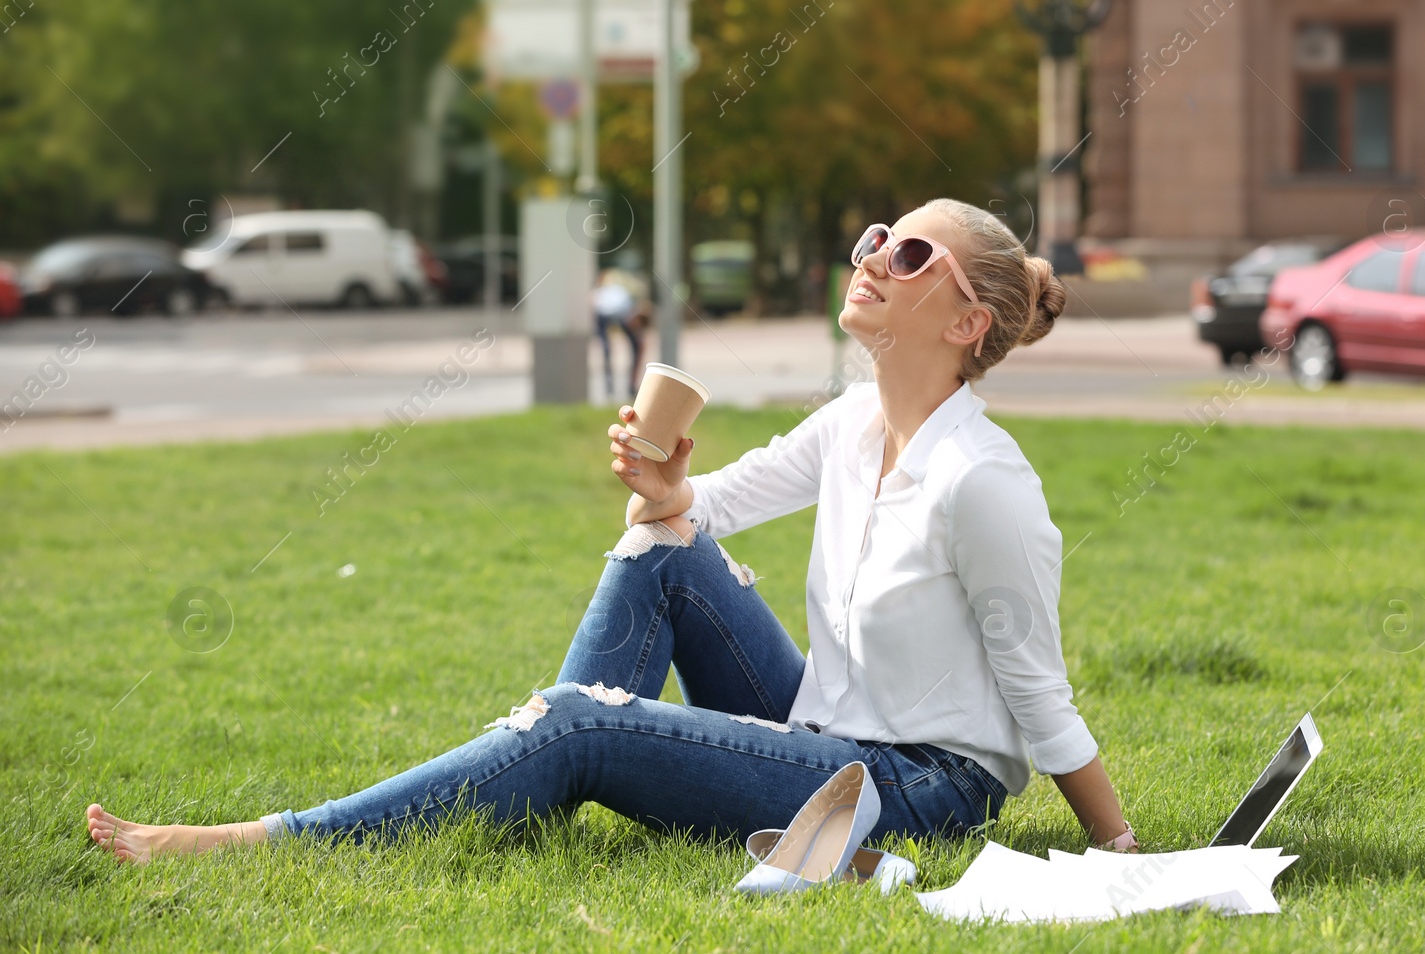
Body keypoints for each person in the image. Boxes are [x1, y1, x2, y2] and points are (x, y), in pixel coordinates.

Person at [85, 198, 1135, 865]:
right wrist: (667, 481)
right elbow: (681, 519)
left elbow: (1039, 692)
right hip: (826, 728)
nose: (872, 255)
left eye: (909, 254)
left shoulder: (983, 481)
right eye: (877, 234)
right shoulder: (854, 421)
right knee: (658, 556)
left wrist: (1122, 847)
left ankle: (267, 839)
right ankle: (541, 753)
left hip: (913, 790)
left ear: (966, 325)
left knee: (582, 719)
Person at [593, 267, 645, 397]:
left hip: (607, 313)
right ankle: (625, 385)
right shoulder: (624, 296)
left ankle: (614, 386)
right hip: (615, 313)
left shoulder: (608, 293)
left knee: (608, 350)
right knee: (634, 347)